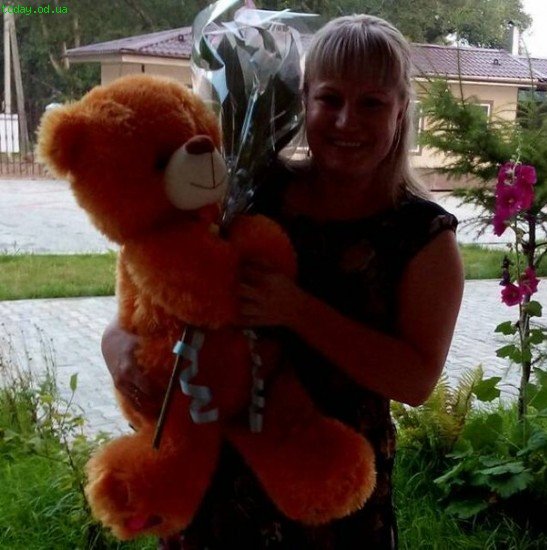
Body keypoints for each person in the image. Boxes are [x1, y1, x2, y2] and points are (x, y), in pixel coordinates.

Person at [102, 14, 464, 549]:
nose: (347, 121)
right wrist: (115, 342)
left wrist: (297, 310)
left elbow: (415, 381)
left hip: (327, 497)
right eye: (330, 98)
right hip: (213, 486)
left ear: (401, 110)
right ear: (303, 101)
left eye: (371, 103)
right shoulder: (250, 189)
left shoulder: (422, 236)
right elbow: (161, 279)